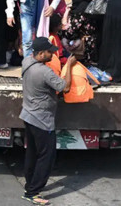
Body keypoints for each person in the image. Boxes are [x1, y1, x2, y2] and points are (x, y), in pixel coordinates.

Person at [20, 37, 76, 206]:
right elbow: (64, 87)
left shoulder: (26, 62)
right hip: (42, 120)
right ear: (40, 53)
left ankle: (29, 185)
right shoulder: (44, 72)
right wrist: (69, 67)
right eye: (49, 52)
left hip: (28, 115)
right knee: (46, 156)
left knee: (32, 153)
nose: (53, 54)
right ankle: (33, 192)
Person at [58, 0, 98, 65]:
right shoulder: (90, 4)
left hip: (84, 48)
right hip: (93, 44)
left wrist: (59, 30)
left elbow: (70, 32)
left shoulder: (80, 10)